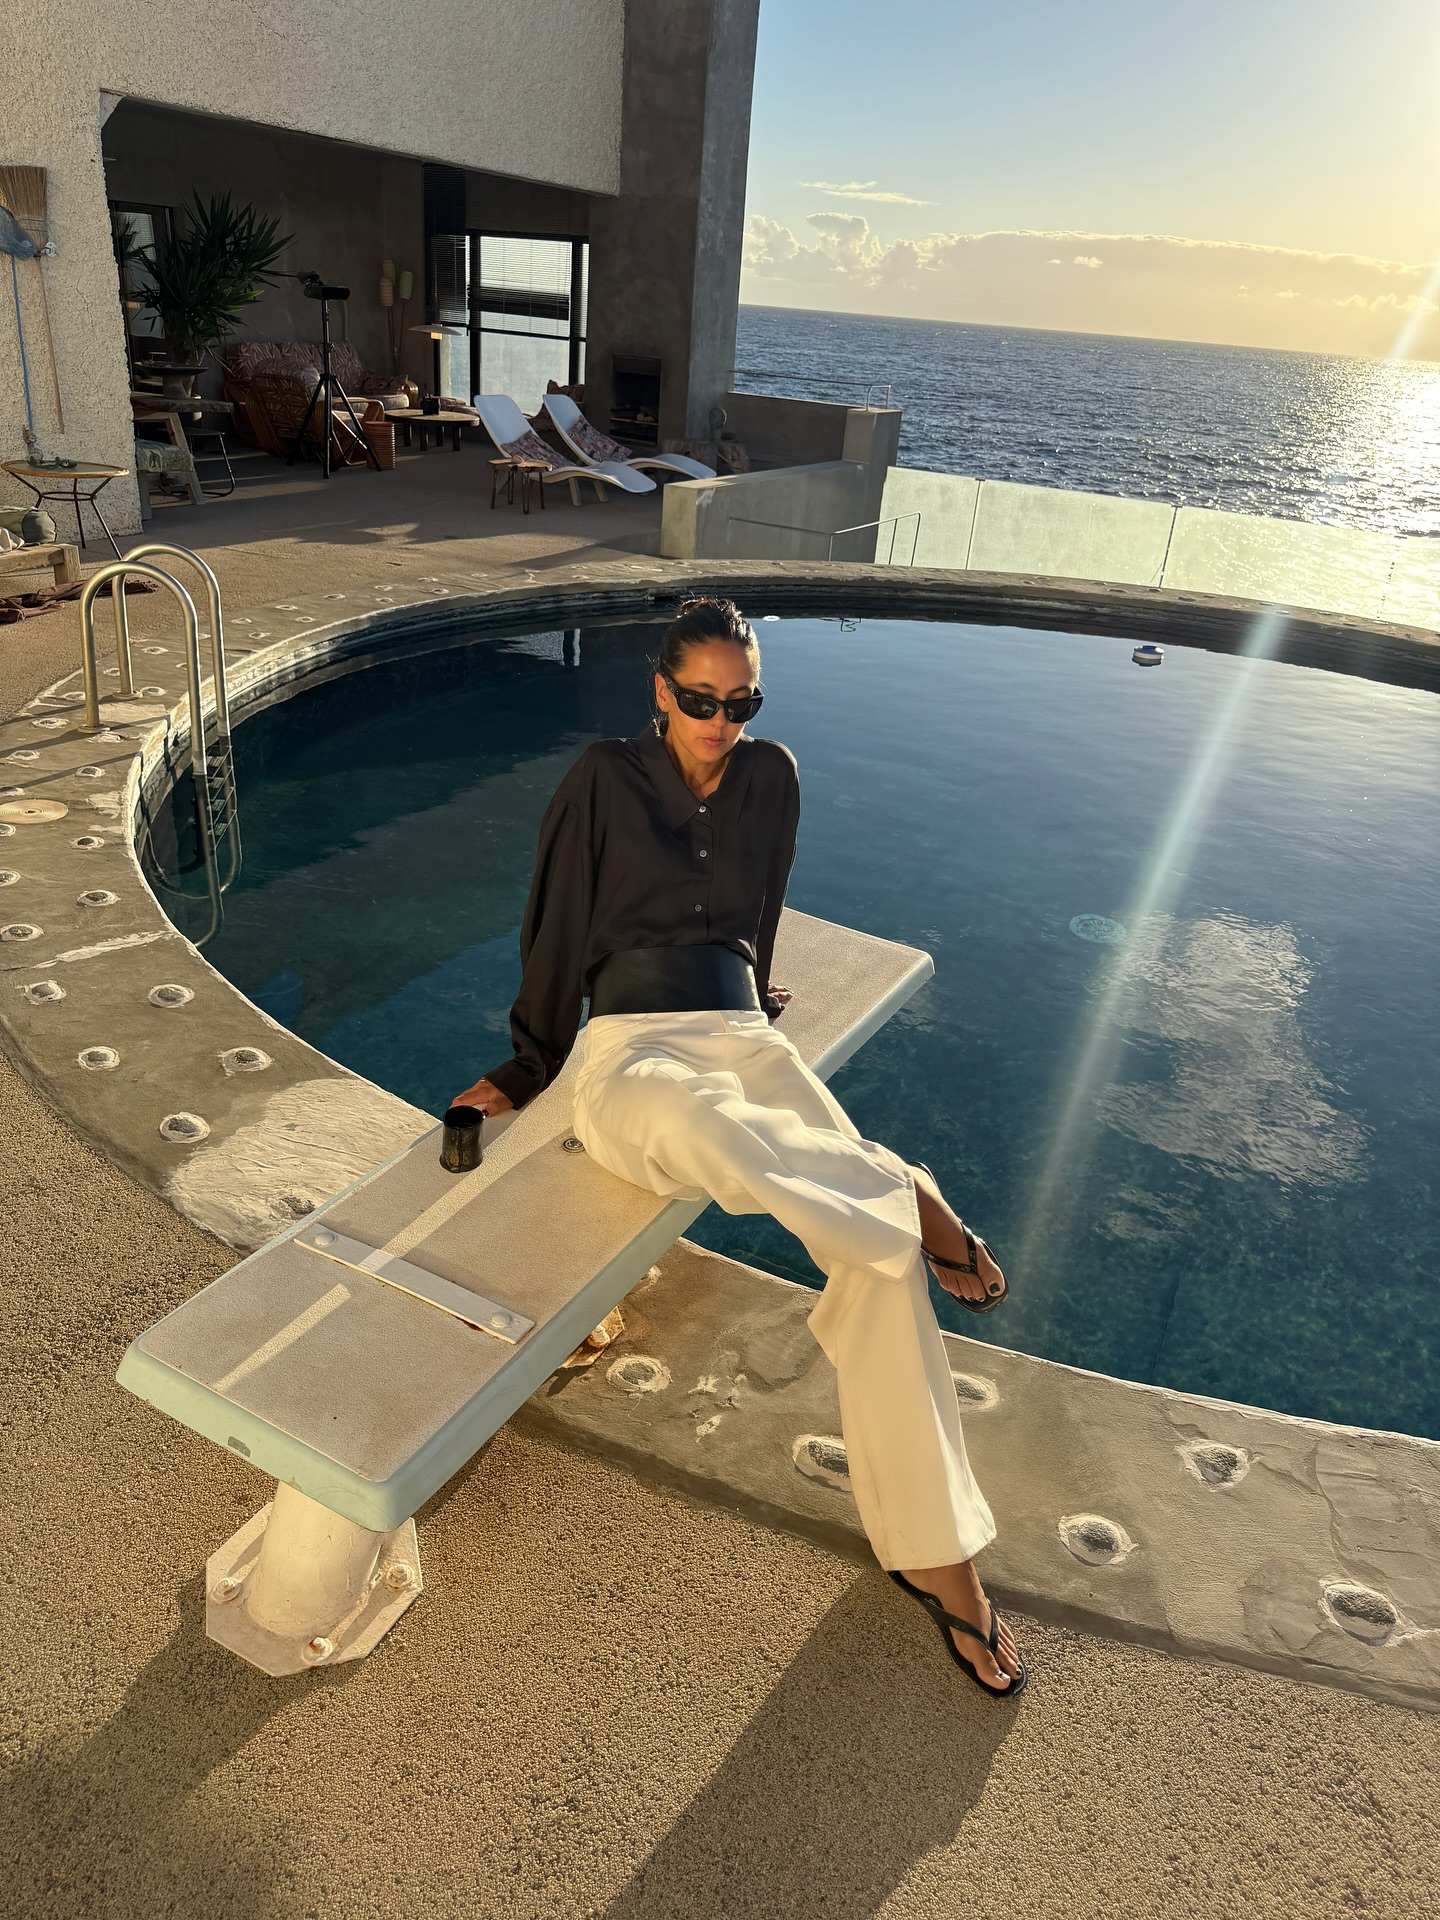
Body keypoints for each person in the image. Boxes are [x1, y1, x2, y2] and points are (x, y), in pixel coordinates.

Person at [453, 597, 1026, 1698]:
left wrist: (752, 988)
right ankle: (903, 1186)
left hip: (743, 1033)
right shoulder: (603, 778)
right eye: (701, 701)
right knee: (709, 1127)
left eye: (741, 703)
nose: (722, 722)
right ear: (660, 693)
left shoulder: (771, 776)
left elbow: (763, 901)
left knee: (880, 1263)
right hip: (631, 1052)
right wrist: (527, 1067)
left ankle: (939, 1555)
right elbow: (554, 925)